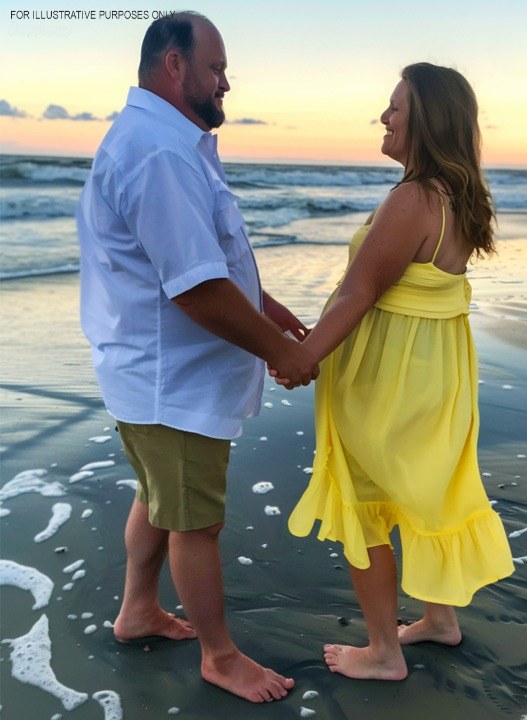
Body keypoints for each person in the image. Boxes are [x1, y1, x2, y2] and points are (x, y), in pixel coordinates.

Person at [76, 11, 318, 703]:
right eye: (216, 69)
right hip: (170, 381)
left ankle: (138, 611)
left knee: (161, 498)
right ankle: (220, 657)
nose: (226, 83)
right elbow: (197, 289)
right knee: (195, 521)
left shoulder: (168, 142)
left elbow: (200, 258)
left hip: (154, 375)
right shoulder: (157, 151)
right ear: (174, 66)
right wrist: (282, 353)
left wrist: (264, 306)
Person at [274, 63, 515, 681]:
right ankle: (439, 620)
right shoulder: (456, 199)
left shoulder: (412, 198)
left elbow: (360, 292)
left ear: (426, 120)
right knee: (421, 489)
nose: (383, 117)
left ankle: (383, 652)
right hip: (436, 373)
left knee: (366, 497)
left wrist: (305, 355)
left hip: (391, 377)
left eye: (395, 107)